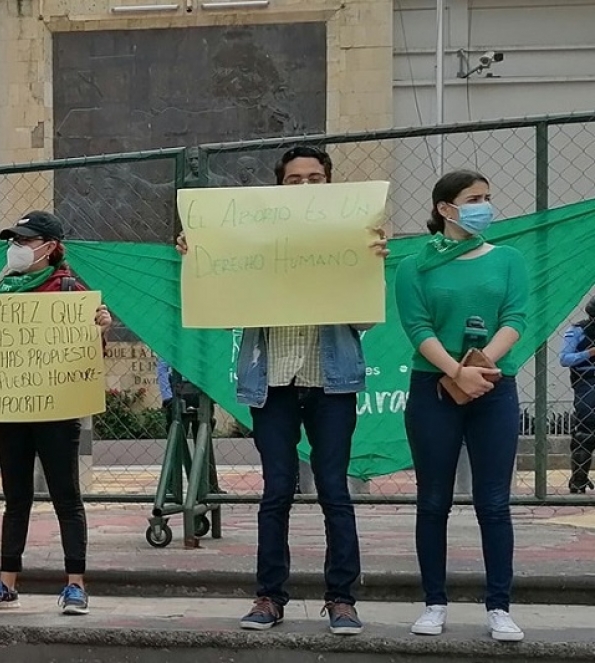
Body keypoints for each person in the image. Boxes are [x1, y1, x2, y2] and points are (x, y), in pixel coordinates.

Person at [176, 145, 389, 635]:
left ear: (331, 184)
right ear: (280, 188)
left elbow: (365, 320)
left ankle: (342, 599)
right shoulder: (254, 239)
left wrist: (367, 264)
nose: (306, 186)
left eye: (316, 178)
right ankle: (269, 597)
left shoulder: (356, 237)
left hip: (330, 382)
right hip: (271, 382)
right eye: (295, 180)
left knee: (334, 490)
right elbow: (221, 292)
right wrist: (202, 250)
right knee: (276, 491)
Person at [0, 211, 111, 616]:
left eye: (26, 241)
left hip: (57, 410)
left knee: (66, 495)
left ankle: (75, 585)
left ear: (50, 247)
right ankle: (6, 582)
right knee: (16, 498)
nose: (17, 249)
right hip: (9, 411)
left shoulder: (69, 290)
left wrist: (100, 328)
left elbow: (90, 353)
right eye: (15, 241)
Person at [395, 170, 528, 641]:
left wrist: (480, 368)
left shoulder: (508, 259)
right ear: (445, 209)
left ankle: (499, 607)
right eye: (474, 199)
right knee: (433, 501)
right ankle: (434, 602)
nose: (485, 207)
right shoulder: (415, 266)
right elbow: (417, 328)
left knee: (494, 503)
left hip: (495, 387)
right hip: (434, 389)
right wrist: (455, 372)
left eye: (488, 198)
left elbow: (515, 319)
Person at [559, 295, 595, 494]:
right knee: (585, 432)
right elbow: (565, 358)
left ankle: (579, 481)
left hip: (586, 385)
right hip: (587, 382)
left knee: (584, 433)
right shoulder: (579, 330)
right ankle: (579, 480)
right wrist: (589, 354)